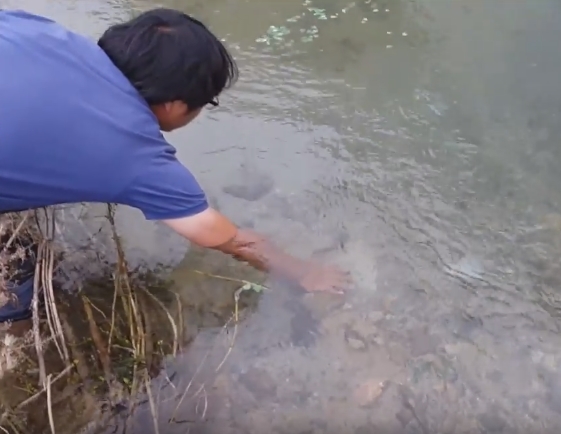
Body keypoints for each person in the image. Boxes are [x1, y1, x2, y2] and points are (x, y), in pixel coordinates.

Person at [0, 8, 349, 323]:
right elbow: (233, 240)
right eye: (204, 103)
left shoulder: (37, 27)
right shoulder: (137, 157)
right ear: (175, 104)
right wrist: (305, 272)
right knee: (18, 300)